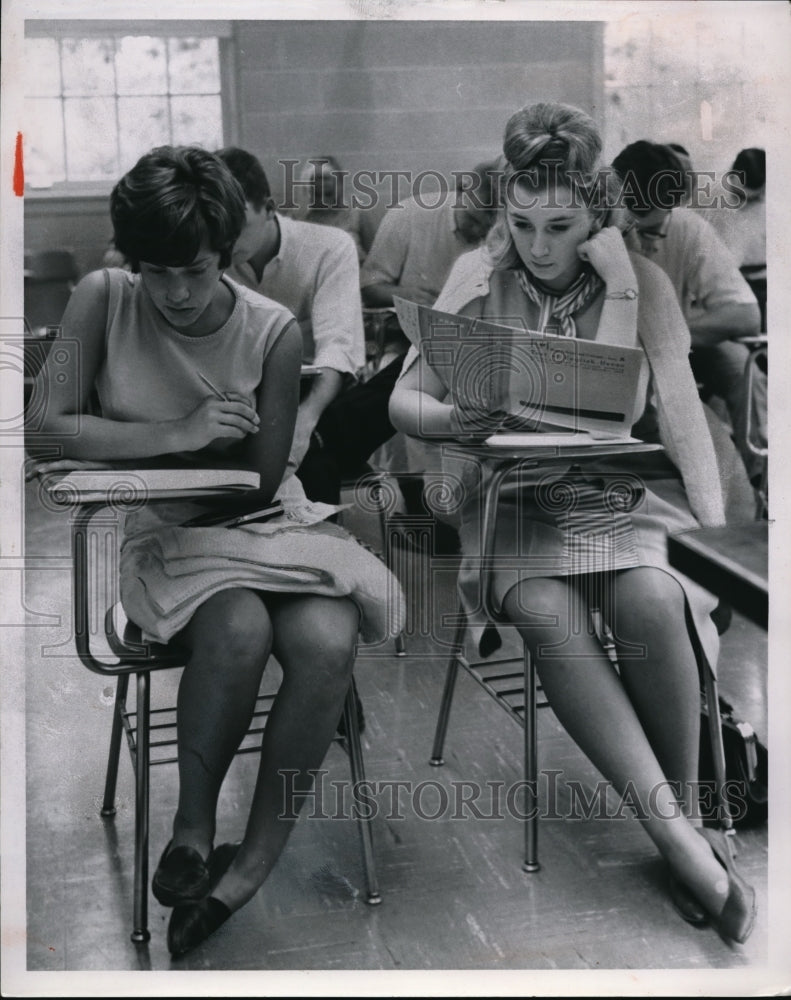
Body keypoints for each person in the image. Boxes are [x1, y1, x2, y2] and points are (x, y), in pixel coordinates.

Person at [389, 101, 757, 944]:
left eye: (560, 225)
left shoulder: (643, 282)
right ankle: (682, 842)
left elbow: (660, 413)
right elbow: (404, 399)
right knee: (553, 619)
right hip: (508, 510)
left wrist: (712, 550)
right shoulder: (478, 281)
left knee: (656, 602)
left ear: (598, 216)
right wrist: (458, 425)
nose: (538, 246)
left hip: (616, 503)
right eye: (521, 224)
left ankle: (693, 818)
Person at [29, 146, 404, 957]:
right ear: (130, 262)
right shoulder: (101, 298)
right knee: (238, 629)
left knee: (327, 639)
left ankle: (248, 871)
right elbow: (41, 425)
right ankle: (193, 831)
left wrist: (123, 447)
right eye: (154, 270)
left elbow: (258, 478)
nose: (176, 292)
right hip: (167, 534)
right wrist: (179, 433)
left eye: (194, 269)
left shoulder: (272, 331)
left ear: (228, 252)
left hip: (267, 521)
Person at [215, 146, 368, 506]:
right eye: (215, 228)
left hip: (317, 393)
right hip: (241, 397)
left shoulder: (330, 246)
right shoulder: (208, 254)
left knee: (317, 450)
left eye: (236, 227)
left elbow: (338, 347)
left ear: (269, 209)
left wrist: (305, 419)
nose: (225, 242)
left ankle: (314, 550)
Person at [359, 162, 499, 546]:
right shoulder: (410, 215)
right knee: (401, 395)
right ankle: (419, 508)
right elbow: (368, 285)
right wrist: (405, 296)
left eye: (494, 217)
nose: (484, 227)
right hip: (403, 338)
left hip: (472, 344)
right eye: (478, 214)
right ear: (459, 191)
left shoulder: (501, 237)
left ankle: (467, 510)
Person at [611, 140, 764, 483]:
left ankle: (760, 484)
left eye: (657, 231)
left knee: (744, 371)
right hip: (619, 353)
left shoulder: (683, 225)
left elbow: (746, 314)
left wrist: (669, 333)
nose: (648, 245)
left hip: (679, 344)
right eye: (637, 232)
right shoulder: (591, 227)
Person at [707, 148, 766, 332]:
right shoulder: (711, 192)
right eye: (739, 196)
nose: (745, 203)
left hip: (763, 282)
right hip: (722, 285)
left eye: (753, 198)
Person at [289, 154, 367, 263]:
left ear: (339, 186)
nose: (323, 200)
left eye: (328, 193)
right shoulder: (297, 218)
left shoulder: (355, 214)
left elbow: (374, 260)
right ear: (308, 191)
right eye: (317, 194)